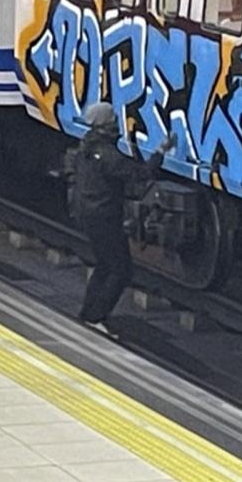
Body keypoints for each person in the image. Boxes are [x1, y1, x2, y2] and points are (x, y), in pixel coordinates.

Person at [73, 102, 176, 335]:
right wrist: (160, 152)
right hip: (105, 217)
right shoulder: (109, 155)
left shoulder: (86, 148)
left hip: (88, 213)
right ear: (107, 124)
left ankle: (88, 312)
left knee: (104, 264)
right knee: (121, 269)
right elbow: (140, 174)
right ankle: (96, 315)